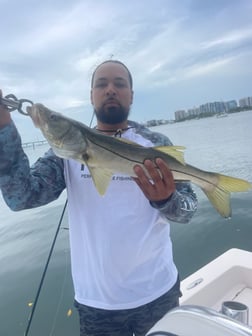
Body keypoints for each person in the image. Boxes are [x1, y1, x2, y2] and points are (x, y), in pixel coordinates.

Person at [0, 60, 197, 336]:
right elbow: (21, 197)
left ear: (131, 94)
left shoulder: (156, 143)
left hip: (158, 294)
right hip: (97, 305)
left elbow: (188, 210)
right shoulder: (63, 156)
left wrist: (167, 200)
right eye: (101, 84)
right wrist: (3, 129)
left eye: (120, 83)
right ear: (91, 95)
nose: (110, 90)